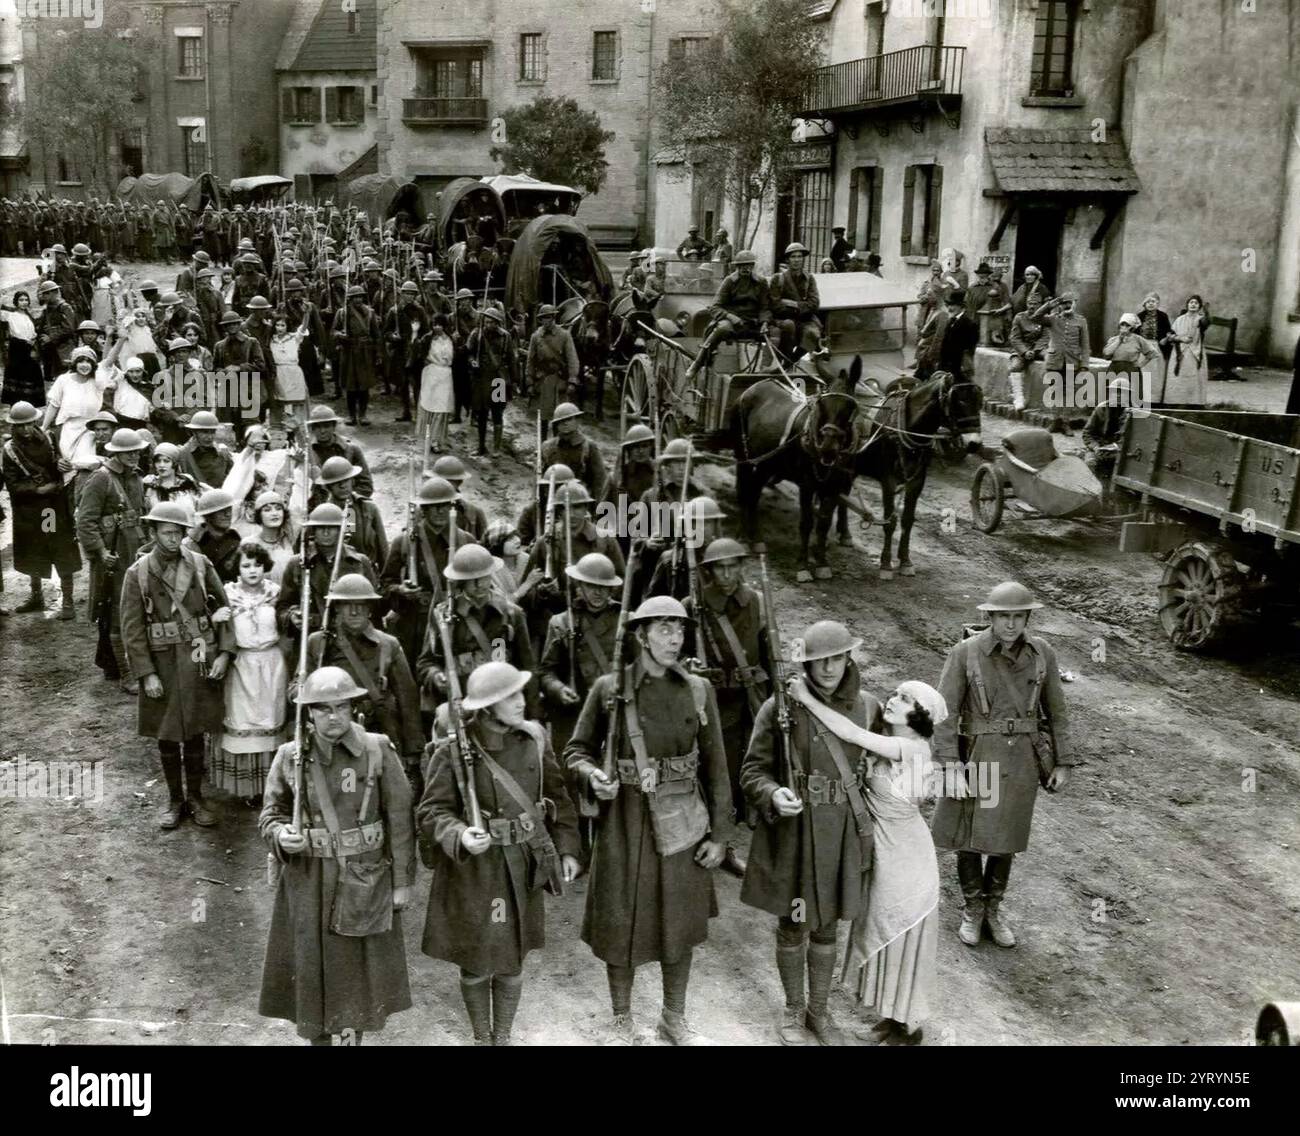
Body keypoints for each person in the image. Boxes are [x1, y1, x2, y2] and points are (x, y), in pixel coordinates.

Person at [564, 595, 729, 1044]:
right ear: (640, 635)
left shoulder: (699, 690)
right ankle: (621, 1021)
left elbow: (716, 767)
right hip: (625, 823)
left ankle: (673, 1017)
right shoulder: (609, 689)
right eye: (662, 628)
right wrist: (592, 775)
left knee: (682, 921)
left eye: (679, 629)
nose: (674, 638)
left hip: (682, 821)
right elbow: (574, 751)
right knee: (620, 921)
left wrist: (720, 836)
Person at [417, 660, 581, 1045]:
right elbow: (430, 811)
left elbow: (557, 797)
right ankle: (480, 1037)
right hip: (475, 869)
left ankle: (502, 1037)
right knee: (476, 960)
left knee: (512, 959)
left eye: (521, 693)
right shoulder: (453, 751)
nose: (521, 702)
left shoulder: (535, 739)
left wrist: (568, 848)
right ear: (487, 707)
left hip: (521, 863)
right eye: (510, 696)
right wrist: (459, 834)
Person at [740, 619, 882, 1045]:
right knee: (795, 922)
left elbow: (883, 765)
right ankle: (791, 1009)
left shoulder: (868, 707)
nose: (829, 669)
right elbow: (751, 771)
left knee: (828, 926)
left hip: (840, 834)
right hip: (797, 836)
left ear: (848, 658)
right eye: (820, 660)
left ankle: (819, 1011)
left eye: (837, 658)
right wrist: (772, 793)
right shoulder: (780, 708)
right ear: (807, 663)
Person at [258, 666, 415, 1045]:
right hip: (308, 882)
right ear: (308, 714)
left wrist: (402, 884)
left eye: (341, 707)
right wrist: (282, 835)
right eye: (323, 709)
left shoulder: (376, 749)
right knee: (313, 978)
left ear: (353, 709)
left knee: (357, 981)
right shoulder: (290, 756)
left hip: (364, 880)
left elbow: (400, 817)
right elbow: (270, 816)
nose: (333, 717)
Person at [790, 676, 946, 1046]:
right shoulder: (897, 745)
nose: (893, 700)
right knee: (885, 931)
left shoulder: (914, 750)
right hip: (886, 851)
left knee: (898, 932)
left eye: (905, 700)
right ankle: (893, 1020)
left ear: (919, 717)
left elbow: (851, 733)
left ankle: (908, 1029)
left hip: (906, 858)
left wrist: (807, 699)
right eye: (895, 694)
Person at [930, 581, 1074, 949]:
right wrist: (949, 765)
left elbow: (1057, 711)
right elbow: (943, 715)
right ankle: (972, 908)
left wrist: (1063, 761)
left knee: (1007, 836)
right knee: (969, 834)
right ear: (990, 617)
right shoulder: (966, 653)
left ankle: (994, 909)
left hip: (1021, 758)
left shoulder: (1043, 653)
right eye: (1003, 617)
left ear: (1028, 618)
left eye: (1018, 616)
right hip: (978, 754)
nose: (1011, 625)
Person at [120, 499, 235, 829]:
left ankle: (197, 797)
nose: (173, 538)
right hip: (162, 659)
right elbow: (132, 628)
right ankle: (174, 799)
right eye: (167, 532)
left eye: (178, 533)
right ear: (154, 532)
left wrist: (225, 652)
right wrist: (146, 673)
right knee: (167, 732)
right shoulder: (138, 572)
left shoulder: (199, 564)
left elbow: (224, 609)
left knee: (196, 726)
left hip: (199, 650)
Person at [685, 537, 769, 880]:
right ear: (708, 571)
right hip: (706, 700)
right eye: (720, 567)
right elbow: (676, 652)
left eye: (733, 566)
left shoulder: (756, 603)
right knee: (702, 771)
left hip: (744, 699)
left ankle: (726, 840)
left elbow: (768, 651)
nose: (727, 573)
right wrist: (689, 668)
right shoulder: (693, 605)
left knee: (735, 770)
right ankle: (701, 837)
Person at [303, 574, 424, 788]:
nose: (355, 611)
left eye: (361, 604)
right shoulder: (318, 644)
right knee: (347, 793)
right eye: (347, 605)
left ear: (370, 609)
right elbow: (296, 688)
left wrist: (412, 754)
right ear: (337, 608)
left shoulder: (388, 645)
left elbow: (408, 701)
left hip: (378, 732)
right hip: (335, 733)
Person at [415, 543, 540, 725]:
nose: (480, 585)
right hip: (461, 704)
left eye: (484, 577)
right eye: (473, 580)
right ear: (461, 582)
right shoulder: (443, 616)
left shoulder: (511, 614)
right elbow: (425, 663)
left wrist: (534, 715)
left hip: (501, 703)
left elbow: (527, 666)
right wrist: (436, 676)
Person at [212, 541, 287, 807]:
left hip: (271, 664)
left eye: (257, 564)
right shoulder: (228, 594)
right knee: (244, 720)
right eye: (246, 565)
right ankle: (250, 789)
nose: (252, 570)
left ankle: (274, 787)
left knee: (271, 720)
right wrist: (215, 617)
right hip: (241, 664)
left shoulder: (276, 593)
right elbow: (213, 629)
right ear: (237, 568)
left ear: (265, 566)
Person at [379, 476, 475, 681]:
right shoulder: (404, 542)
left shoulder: (466, 540)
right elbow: (384, 586)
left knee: (458, 676)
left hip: (457, 620)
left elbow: (478, 581)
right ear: (424, 509)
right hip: (416, 624)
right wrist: (400, 591)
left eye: (445, 505)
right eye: (434, 506)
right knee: (417, 678)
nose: (440, 511)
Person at [76, 427, 147, 689]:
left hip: (136, 552)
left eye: (136, 451)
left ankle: (126, 666)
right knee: (118, 612)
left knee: (136, 608)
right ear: (116, 453)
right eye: (127, 452)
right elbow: (85, 522)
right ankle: (126, 674)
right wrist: (101, 552)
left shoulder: (137, 478)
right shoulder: (100, 479)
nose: (133, 456)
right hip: (114, 557)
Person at [2, 401, 81, 619]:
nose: (25, 429)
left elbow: (56, 459)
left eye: (29, 424)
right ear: (13, 427)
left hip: (52, 508)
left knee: (59, 546)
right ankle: (36, 596)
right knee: (32, 551)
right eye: (20, 426)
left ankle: (68, 601)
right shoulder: (9, 451)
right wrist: (37, 490)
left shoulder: (49, 437)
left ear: (35, 421)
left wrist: (61, 464)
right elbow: (12, 484)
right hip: (29, 509)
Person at [538, 551, 622, 755]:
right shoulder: (561, 623)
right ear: (579, 586)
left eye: (604, 587)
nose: (598, 593)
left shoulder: (624, 619)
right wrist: (559, 689)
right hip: (578, 710)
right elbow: (546, 671)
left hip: (616, 706)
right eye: (592, 586)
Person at [277, 502, 378, 637]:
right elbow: (282, 607)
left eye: (331, 527)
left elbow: (375, 606)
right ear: (313, 531)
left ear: (341, 530)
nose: (326, 532)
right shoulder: (298, 564)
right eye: (321, 527)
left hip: (352, 640)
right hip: (310, 641)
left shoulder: (359, 563)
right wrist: (292, 617)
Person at [683, 250, 771, 382]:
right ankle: (698, 363)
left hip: (753, 322)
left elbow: (765, 307)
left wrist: (764, 322)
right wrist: (730, 317)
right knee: (722, 329)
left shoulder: (761, 282)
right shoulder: (729, 281)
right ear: (737, 267)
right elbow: (715, 307)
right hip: (733, 321)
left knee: (776, 332)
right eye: (742, 266)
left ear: (753, 266)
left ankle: (770, 369)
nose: (745, 268)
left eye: (748, 265)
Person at [312, 455, 389, 571]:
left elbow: (383, 549)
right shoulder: (320, 513)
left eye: (346, 480)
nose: (343, 486)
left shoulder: (369, 509)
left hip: (364, 573)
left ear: (352, 481)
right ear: (328, 486)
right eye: (336, 482)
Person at [467, 306, 516, 455]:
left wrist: (514, 381)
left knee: (497, 413)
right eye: (487, 322)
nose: (490, 325)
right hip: (481, 378)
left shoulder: (505, 337)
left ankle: (496, 448)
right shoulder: (476, 334)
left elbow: (511, 359)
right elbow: (468, 352)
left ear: (498, 323)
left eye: (493, 322)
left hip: (498, 379)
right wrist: (472, 361)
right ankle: (481, 446)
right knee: (481, 414)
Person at [539, 402, 608, 502]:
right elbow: (541, 482)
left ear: (578, 420)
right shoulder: (548, 447)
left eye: (569, 419)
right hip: (554, 501)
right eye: (561, 421)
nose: (565, 423)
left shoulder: (589, 447)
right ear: (556, 425)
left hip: (580, 501)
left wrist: (598, 507)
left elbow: (600, 481)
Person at [768, 242, 824, 362]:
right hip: (783, 320)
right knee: (788, 328)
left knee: (813, 333)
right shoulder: (778, 279)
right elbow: (775, 305)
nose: (797, 260)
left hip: (804, 320)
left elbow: (814, 303)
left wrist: (793, 304)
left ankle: (790, 362)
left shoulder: (809, 279)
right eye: (793, 257)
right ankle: (783, 360)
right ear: (788, 260)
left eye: (799, 257)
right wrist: (801, 308)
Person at [526, 305, 579, 432]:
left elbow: (572, 359)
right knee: (543, 418)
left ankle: (558, 444)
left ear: (554, 317)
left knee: (560, 416)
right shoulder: (536, 337)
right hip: (543, 381)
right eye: (543, 318)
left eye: (549, 317)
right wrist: (529, 382)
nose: (546, 321)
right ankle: (544, 445)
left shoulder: (564, 335)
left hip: (560, 380)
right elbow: (531, 361)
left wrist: (572, 380)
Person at [333, 285, 381, 426]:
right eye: (355, 297)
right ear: (350, 299)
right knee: (351, 386)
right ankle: (351, 415)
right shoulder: (342, 313)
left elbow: (376, 335)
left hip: (365, 352)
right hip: (349, 352)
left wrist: (378, 353)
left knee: (364, 386)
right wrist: (340, 334)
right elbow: (334, 331)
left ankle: (363, 414)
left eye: (360, 297)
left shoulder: (370, 313)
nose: (358, 300)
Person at [307, 404, 374, 498]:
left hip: (348, 502)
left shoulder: (351, 449)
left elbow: (366, 487)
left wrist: (344, 500)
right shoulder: (308, 453)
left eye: (326, 426)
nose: (322, 431)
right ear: (312, 429)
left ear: (334, 426)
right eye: (317, 427)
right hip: (320, 505)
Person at [416, 313, 455, 460]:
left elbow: (456, 355)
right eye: (434, 324)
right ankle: (429, 438)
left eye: (440, 324)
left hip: (446, 375)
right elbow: (419, 353)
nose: (437, 327)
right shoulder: (428, 339)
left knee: (441, 409)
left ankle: (437, 439)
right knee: (430, 407)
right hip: (431, 374)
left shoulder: (451, 339)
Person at [1161, 295, 1210, 408]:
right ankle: (1175, 402)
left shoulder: (1200, 320)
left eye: (1196, 303)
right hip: (1180, 352)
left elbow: (1206, 323)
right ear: (1187, 305)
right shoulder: (1180, 319)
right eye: (1191, 302)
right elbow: (1170, 333)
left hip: (1195, 351)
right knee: (1178, 378)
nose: (1193, 304)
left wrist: (1207, 313)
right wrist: (1178, 338)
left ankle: (1194, 403)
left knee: (1194, 378)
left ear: (1199, 306)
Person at [240, 489, 297, 582]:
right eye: (267, 510)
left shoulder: (290, 539)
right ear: (259, 515)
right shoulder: (249, 543)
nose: (274, 513)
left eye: (278, 508)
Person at [188, 488, 243, 583]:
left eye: (229, 509)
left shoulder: (235, 539)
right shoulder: (191, 544)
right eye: (221, 511)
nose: (228, 514)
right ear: (208, 515)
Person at [1102, 313, 1158, 405]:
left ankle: (1131, 416)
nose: (1124, 327)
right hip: (1114, 369)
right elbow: (1107, 354)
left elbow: (1152, 352)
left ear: (1132, 327)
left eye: (1127, 325)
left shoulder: (1138, 339)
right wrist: (1119, 340)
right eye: (1122, 324)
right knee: (1112, 396)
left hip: (1131, 370)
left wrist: (1141, 364)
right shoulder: (1113, 339)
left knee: (1132, 397)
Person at [1033, 292, 1091, 380]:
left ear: (1074, 304)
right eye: (1064, 303)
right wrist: (1048, 306)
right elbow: (1035, 318)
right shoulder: (1053, 319)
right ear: (1059, 305)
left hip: (1072, 363)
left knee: (1070, 392)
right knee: (1054, 392)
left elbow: (1085, 346)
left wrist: (1084, 366)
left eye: (1069, 303)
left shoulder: (1081, 321)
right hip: (1054, 363)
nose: (1067, 305)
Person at [1, 291, 45, 407]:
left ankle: (30, 407)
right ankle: (16, 408)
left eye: (26, 300)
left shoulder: (28, 316)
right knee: (18, 377)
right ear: (16, 302)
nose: (24, 302)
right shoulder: (10, 315)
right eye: (21, 300)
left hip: (30, 347)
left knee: (31, 375)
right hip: (17, 349)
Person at [269, 310, 310, 429]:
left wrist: (306, 314)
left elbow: (303, 328)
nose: (280, 328)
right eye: (277, 325)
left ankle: (298, 426)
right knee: (280, 402)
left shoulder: (294, 338)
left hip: (293, 372)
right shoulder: (271, 339)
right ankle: (280, 428)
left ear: (287, 326)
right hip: (279, 372)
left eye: (283, 325)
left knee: (297, 401)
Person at [431, 455, 488, 541]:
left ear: (460, 482)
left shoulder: (474, 513)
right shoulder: (422, 511)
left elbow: (486, 547)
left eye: (449, 481)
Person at [142, 442, 201, 517]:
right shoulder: (149, 485)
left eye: (166, 461)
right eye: (158, 461)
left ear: (174, 463)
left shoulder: (188, 484)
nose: (161, 465)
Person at [1006, 306, 1048, 411]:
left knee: (1051, 358)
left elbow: (1046, 337)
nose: (1032, 307)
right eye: (1030, 303)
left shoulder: (1045, 318)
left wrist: (1035, 350)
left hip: (1039, 349)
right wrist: (1025, 352)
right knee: (1015, 366)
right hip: (1021, 349)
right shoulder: (1019, 317)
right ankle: (1018, 397)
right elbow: (1015, 338)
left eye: (1036, 304)